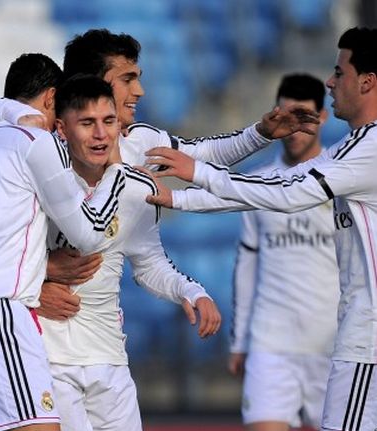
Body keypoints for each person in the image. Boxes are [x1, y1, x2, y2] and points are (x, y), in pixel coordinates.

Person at [145, 26, 377, 431]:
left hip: (367, 336)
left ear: (366, 80)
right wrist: (179, 198)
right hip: (315, 334)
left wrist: (199, 172)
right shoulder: (350, 147)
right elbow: (274, 184)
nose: (331, 82)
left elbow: (287, 194)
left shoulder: (371, 147)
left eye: (339, 71)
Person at [40, 28, 321, 323]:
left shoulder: (140, 147)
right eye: (127, 79)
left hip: (103, 347)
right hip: (41, 343)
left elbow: (148, 256)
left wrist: (260, 135)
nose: (139, 91)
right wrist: (36, 284)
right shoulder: (38, 153)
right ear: (93, 86)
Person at [0, 62, 127, 431]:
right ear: (51, 101)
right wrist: (115, 171)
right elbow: (89, 233)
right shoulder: (32, 142)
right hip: (2, 317)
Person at [36, 74, 221, 431]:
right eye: (87, 123)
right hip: (51, 359)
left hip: (110, 359)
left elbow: (150, 261)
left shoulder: (137, 187)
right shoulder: (38, 184)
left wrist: (192, 291)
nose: (101, 134)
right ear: (61, 128)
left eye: (109, 122)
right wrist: (37, 286)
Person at [226, 74, 339, 431]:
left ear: (323, 117)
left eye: (303, 117)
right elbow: (246, 264)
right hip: (272, 342)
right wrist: (240, 339)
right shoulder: (258, 184)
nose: (292, 127)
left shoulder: (342, 181)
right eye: (285, 116)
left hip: (335, 344)